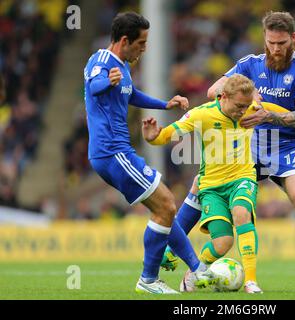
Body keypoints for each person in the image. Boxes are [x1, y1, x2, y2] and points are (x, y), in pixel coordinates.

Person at [162, 11, 295, 292]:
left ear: (293, 39)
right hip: (252, 143)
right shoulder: (249, 65)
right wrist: (248, 96)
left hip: (287, 145)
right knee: (201, 185)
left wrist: (266, 114)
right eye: (270, 42)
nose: (275, 49)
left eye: (281, 43)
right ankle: (172, 250)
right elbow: (213, 92)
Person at [83, 11, 216, 294]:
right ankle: (150, 279)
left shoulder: (123, 66)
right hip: (111, 152)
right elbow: (94, 87)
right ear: (124, 40)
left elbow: (131, 94)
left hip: (117, 152)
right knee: (166, 203)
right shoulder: (102, 62)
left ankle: (197, 269)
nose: (144, 49)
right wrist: (109, 81)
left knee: (164, 207)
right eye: (141, 43)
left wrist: (165, 105)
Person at [142, 74, 281, 293]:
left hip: (242, 178)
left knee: (241, 211)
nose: (242, 111)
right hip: (212, 188)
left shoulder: (251, 109)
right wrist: (153, 137)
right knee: (223, 242)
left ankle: (251, 281)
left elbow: (276, 109)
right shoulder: (202, 114)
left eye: (246, 106)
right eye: (238, 106)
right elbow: (169, 133)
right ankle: (196, 270)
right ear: (223, 96)